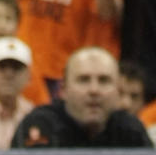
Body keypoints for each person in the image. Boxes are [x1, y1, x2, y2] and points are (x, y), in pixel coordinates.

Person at [12, 48, 153, 149]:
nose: (94, 90)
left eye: (104, 81)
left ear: (117, 92)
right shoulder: (39, 124)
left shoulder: (130, 130)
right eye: (83, 80)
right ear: (63, 90)